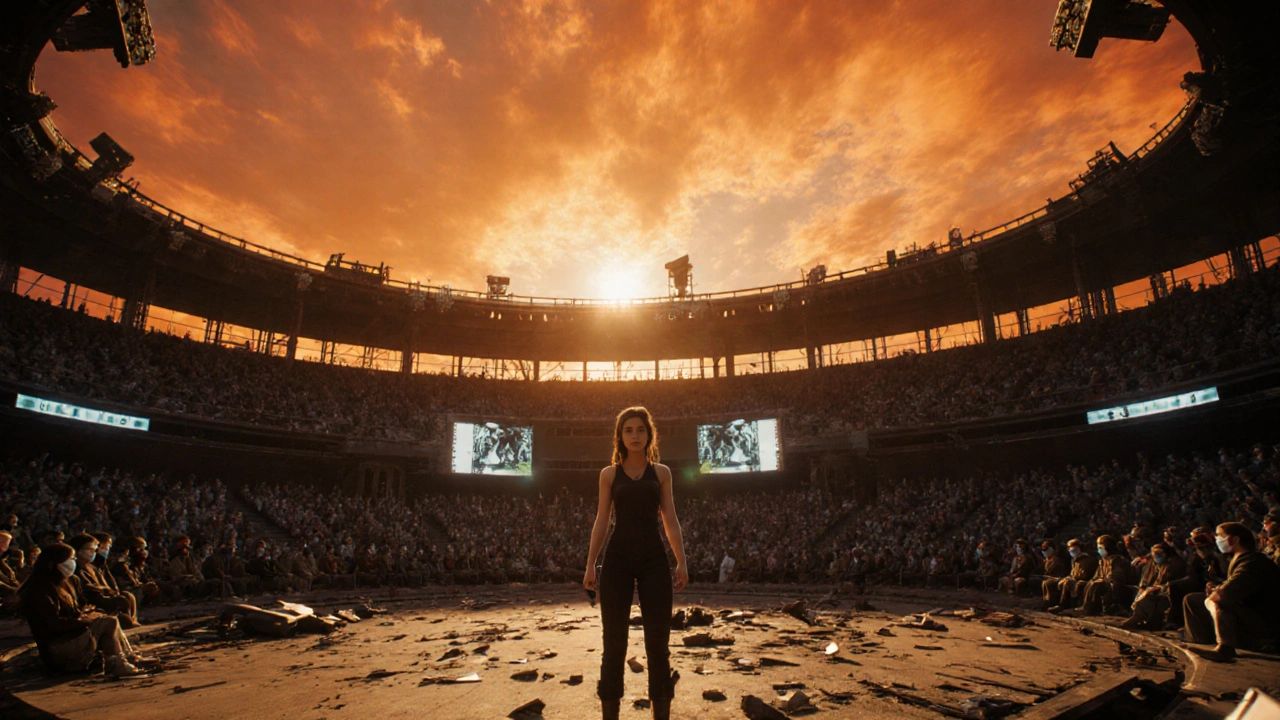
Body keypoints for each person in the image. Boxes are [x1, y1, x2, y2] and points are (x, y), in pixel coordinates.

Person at [584, 407, 688, 720]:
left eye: (640, 430)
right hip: (616, 561)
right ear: (620, 435)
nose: (634, 436)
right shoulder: (608, 475)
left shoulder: (662, 473)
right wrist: (591, 564)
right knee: (613, 645)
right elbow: (602, 520)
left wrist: (681, 561)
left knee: (658, 645)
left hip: (655, 561)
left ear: (649, 434)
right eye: (628, 430)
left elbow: (670, 518)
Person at [18, 543, 147, 676]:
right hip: (58, 650)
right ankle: (116, 665)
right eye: (69, 559)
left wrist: (88, 615)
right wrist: (85, 622)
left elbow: (80, 607)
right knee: (108, 622)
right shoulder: (39, 590)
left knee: (108, 619)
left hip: (71, 640)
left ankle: (128, 657)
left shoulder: (68, 581)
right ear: (54, 563)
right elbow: (53, 624)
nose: (72, 562)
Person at [1182, 522, 1280, 661]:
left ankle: (1225, 648)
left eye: (1220, 536)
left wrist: (1213, 598)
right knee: (1191, 600)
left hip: (1263, 623)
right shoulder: (1238, 559)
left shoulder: (1253, 563)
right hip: (1247, 611)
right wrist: (1218, 587)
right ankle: (1202, 642)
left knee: (1218, 601)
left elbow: (1224, 595)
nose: (1217, 539)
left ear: (1235, 539)